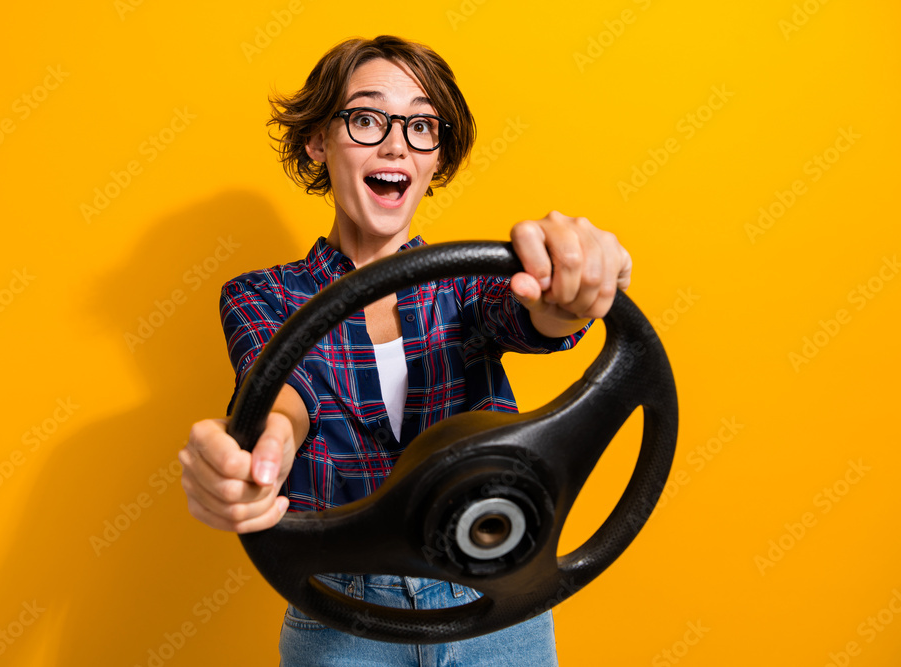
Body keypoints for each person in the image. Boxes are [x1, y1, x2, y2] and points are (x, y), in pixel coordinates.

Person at [178, 35, 632, 666]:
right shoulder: (262, 295)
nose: (397, 144)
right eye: (367, 119)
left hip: (496, 596)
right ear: (318, 141)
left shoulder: (466, 281)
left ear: (435, 156)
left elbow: (530, 315)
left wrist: (572, 289)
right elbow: (284, 394)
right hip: (340, 615)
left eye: (422, 126)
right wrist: (260, 452)